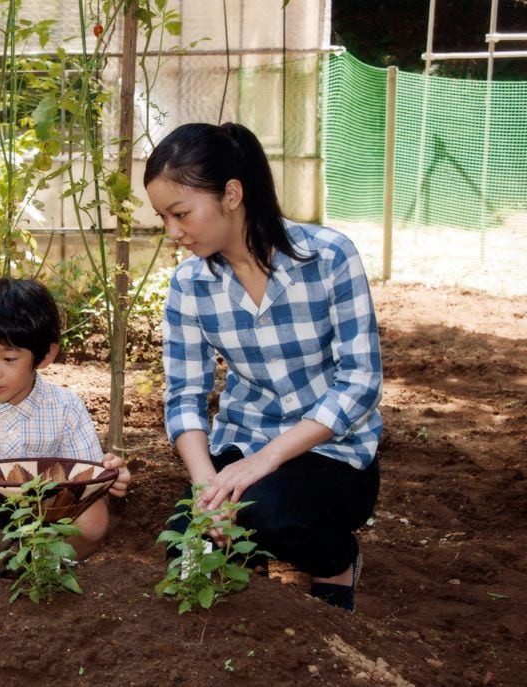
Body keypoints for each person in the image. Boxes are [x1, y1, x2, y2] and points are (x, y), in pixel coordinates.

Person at [144, 122, 382, 611]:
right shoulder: (190, 285)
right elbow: (185, 395)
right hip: (243, 444)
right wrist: (205, 483)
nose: (173, 232)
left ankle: (336, 561)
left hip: (333, 452)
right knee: (185, 548)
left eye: (181, 213)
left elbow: (359, 382)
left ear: (232, 194)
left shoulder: (329, 257)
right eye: (163, 217)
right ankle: (251, 559)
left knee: (269, 513)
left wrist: (264, 461)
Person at [0, 278, 131, 577]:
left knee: (94, 516)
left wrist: (109, 478)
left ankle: (51, 575)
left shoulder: (66, 407)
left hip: (44, 536)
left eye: (8, 358)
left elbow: (86, 483)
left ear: (45, 356)